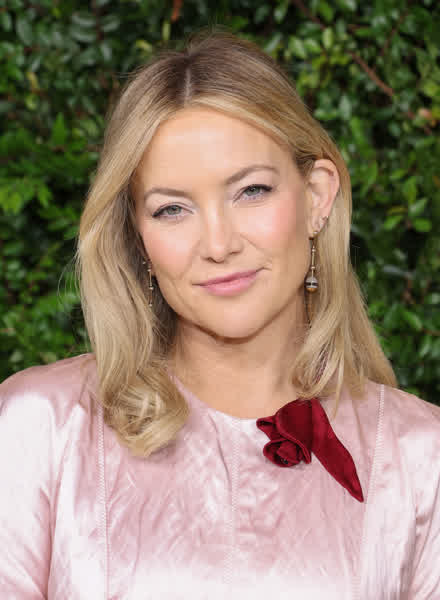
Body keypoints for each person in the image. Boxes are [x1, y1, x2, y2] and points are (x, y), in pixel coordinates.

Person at [0, 27, 439, 600]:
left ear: (317, 195)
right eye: (172, 209)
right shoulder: (41, 425)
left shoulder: (420, 457)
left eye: (251, 191)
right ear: (138, 238)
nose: (218, 244)